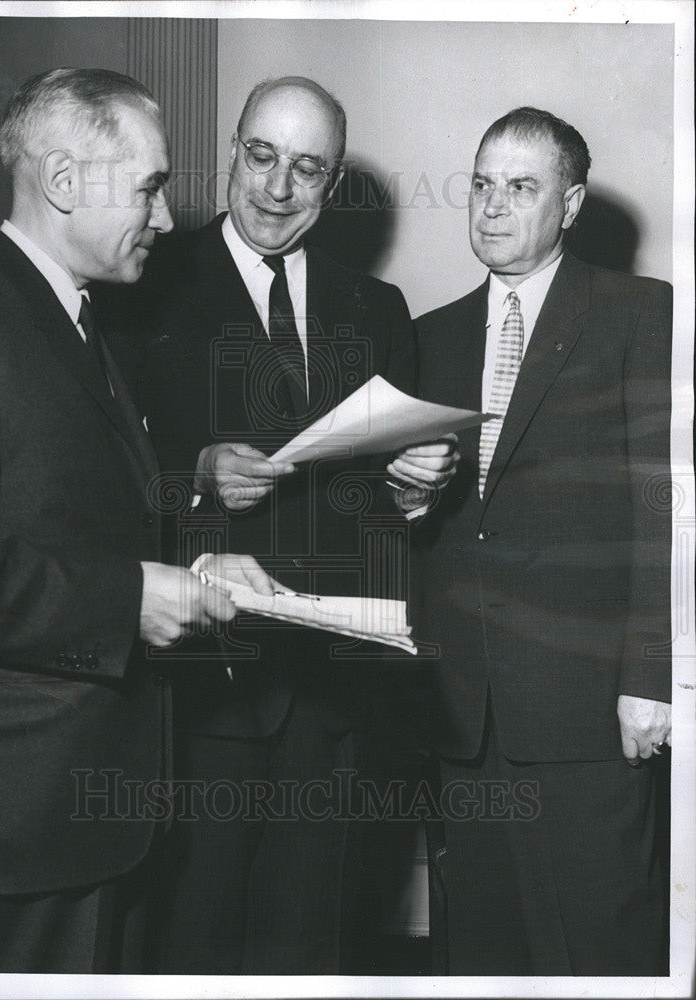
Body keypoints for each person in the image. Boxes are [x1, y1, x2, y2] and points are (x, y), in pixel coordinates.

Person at [0, 67, 274, 975]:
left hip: (81, 812)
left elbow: (78, 519)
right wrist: (125, 602)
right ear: (65, 183)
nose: (163, 219)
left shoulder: (80, 318)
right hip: (4, 824)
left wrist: (199, 569)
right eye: (149, 188)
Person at [102, 75, 457, 973]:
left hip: (337, 693)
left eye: (306, 169)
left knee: (310, 945)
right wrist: (197, 478)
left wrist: (416, 489)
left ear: (331, 184)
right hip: (200, 683)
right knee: (193, 939)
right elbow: (95, 483)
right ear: (231, 150)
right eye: (261, 157)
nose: (276, 189)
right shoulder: (139, 281)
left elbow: (394, 518)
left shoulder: (378, 309)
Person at [401, 107, 672, 975]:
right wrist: (402, 496)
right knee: (482, 952)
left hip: (590, 709)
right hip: (462, 709)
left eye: (521, 187)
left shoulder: (640, 312)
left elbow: (662, 507)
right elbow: (424, 516)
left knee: (598, 949)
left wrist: (649, 678)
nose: (491, 206)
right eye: (481, 185)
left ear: (573, 202)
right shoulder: (431, 333)